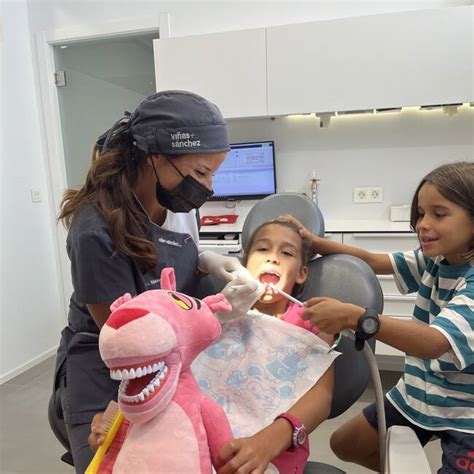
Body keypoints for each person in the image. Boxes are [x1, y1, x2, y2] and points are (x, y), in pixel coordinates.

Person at [48, 90, 257, 473]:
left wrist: (208, 264)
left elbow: (174, 269)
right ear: (154, 157)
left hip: (172, 360)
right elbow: (130, 339)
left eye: (213, 172)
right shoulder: (95, 231)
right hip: (111, 368)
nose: (208, 186)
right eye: (200, 172)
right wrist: (214, 317)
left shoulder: (177, 202)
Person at [282, 161, 474, 473]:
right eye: (420, 214)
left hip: (466, 413)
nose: (423, 224)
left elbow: (435, 343)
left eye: (439, 214)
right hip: (420, 392)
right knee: (346, 443)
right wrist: (313, 242)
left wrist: (357, 318)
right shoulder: (438, 259)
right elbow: (373, 260)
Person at [214, 219, 335, 473]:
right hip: (213, 433)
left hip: (275, 447)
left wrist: (268, 442)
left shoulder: (313, 323)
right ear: (244, 265)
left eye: (287, 253)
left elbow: (321, 397)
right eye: (262, 249)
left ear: (301, 273)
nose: (273, 258)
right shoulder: (223, 310)